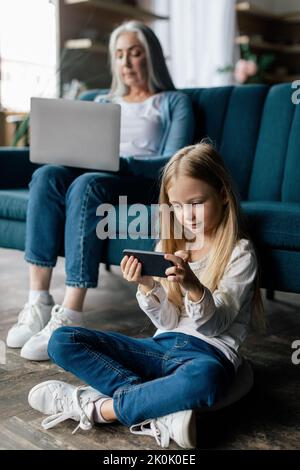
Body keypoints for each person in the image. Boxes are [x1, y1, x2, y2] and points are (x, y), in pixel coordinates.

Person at [27, 142, 265, 449]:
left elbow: (213, 327)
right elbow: (166, 320)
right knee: (61, 340)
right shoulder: (170, 246)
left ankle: (97, 408)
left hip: (205, 354)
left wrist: (193, 286)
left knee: (207, 380)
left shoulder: (239, 253)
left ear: (222, 194)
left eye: (195, 203)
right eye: (177, 206)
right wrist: (147, 286)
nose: (186, 215)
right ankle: (158, 408)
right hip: (158, 347)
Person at [6, 21, 194, 361]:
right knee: (48, 173)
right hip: (93, 173)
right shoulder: (102, 100)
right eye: (120, 55)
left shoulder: (173, 102)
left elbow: (176, 161)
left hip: (140, 179)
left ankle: (71, 312)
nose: (126, 62)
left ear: (151, 57)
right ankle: (38, 301)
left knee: (87, 184)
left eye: (135, 53)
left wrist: (120, 161)